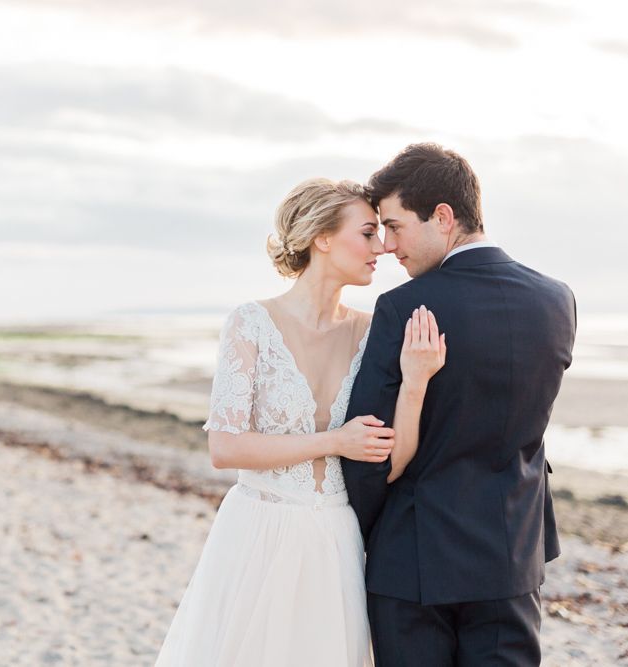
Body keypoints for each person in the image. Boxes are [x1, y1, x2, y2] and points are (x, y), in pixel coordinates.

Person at [155, 178, 446, 666]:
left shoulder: (375, 331)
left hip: (336, 536)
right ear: (323, 238)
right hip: (257, 529)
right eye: (369, 233)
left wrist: (416, 382)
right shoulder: (250, 323)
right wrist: (335, 440)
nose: (383, 247)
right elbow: (224, 448)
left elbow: (391, 459)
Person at [342, 143, 577, 666]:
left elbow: (371, 448)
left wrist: (356, 529)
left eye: (396, 226)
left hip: (414, 560)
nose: (388, 246)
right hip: (513, 556)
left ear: (443, 217)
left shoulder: (403, 307)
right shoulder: (558, 301)